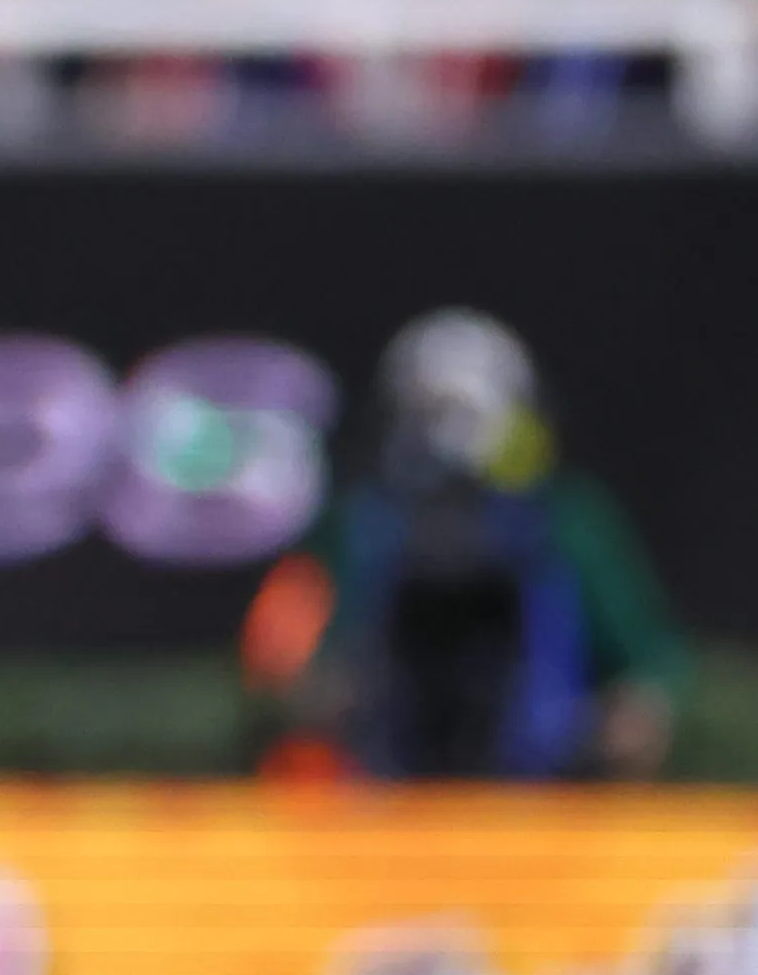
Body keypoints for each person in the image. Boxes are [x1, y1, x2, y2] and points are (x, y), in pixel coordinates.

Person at [283, 309, 688, 781]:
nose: (449, 436)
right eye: (432, 415)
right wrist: (322, 693)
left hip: (544, 791)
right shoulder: (359, 525)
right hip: (386, 792)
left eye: (469, 413)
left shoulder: (568, 521)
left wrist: (635, 714)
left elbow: (651, 661)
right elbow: (299, 665)